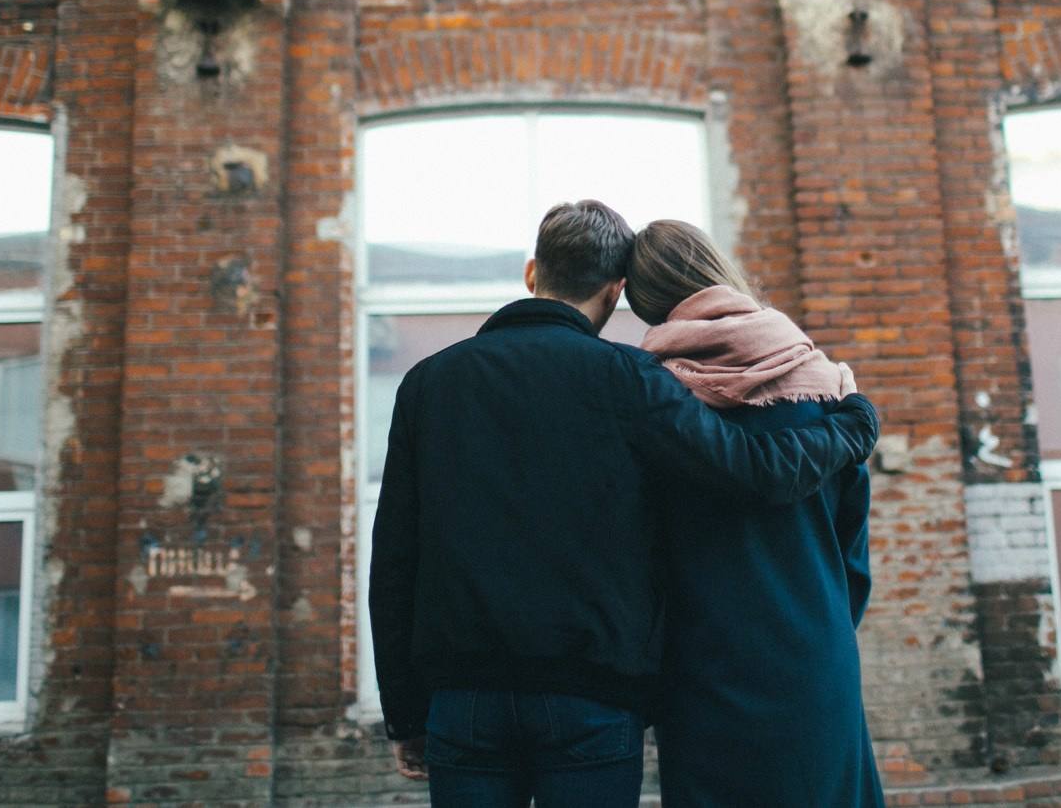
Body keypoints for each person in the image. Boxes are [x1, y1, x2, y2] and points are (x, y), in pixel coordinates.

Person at [369, 199, 879, 808]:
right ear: (615, 294)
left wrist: (405, 713)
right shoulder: (634, 378)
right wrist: (850, 428)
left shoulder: (428, 382)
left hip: (466, 694)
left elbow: (394, 557)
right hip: (599, 693)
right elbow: (752, 473)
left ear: (533, 273)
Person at [626, 218, 884, 808]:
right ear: (717, 268)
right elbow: (853, 553)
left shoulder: (655, 400)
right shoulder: (824, 387)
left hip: (703, 667)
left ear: (644, 303)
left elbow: (642, 553)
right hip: (816, 653)